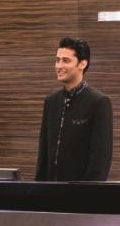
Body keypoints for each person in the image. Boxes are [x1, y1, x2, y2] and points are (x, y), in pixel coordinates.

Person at [35, 37, 112, 181]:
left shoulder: (99, 102)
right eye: (57, 60)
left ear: (82, 64)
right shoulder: (51, 102)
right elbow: (43, 155)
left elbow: (100, 160)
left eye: (66, 60)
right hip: (49, 193)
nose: (59, 66)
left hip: (81, 195)